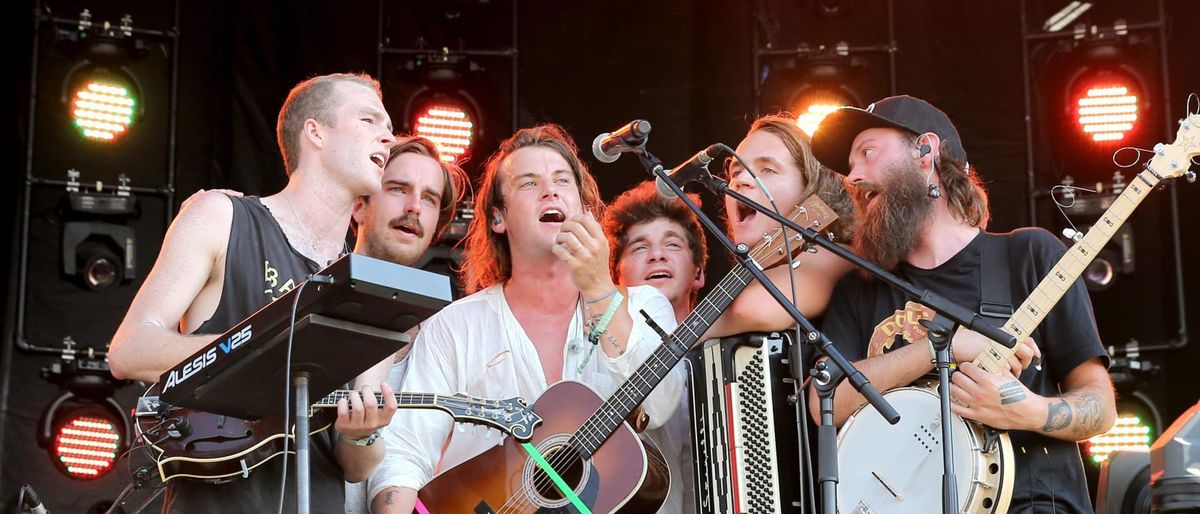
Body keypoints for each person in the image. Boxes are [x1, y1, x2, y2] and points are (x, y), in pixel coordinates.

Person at [810, 94, 1116, 513]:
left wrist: (1028, 411)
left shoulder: (1026, 256)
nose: (852, 176)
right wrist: (947, 347)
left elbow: (1100, 408)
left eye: (867, 153)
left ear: (925, 151)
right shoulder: (860, 288)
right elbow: (824, 404)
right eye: (849, 165)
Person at [108, 73, 400, 512]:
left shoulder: (366, 285)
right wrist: (260, 352)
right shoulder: (222, 217)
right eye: (369, 120)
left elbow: (356, 467)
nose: (389, 137)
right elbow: (129, 350)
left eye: (389, 128)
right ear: (315, 132)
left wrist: (365, 433)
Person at [367, 124, 684, 513]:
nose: (550, 191)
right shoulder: (453, 326)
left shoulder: (644, 306)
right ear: (498, 218)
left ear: (585, 210)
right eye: (529, 183)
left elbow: (662, 403)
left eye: (563, 180)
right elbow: (404, 453)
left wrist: (600, 287)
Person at [342, 135, 466, 513]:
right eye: (398, 189)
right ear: (359, 206)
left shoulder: (447, 333)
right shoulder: (304, 298)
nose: (414, 207)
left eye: (429, 198)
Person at [603, 180, 708, 513]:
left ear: (699, 272)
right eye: (639, 248)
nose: (657, 255)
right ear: (614, 275)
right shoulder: (596, 356)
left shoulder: (728, 354)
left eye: (673, 245)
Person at [706, 113, 857, 343]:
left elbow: (756, 307)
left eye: (767, 169)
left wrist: (682, 336)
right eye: (736, 171)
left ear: (811, 188)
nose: (740, 180)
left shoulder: (837, 255)